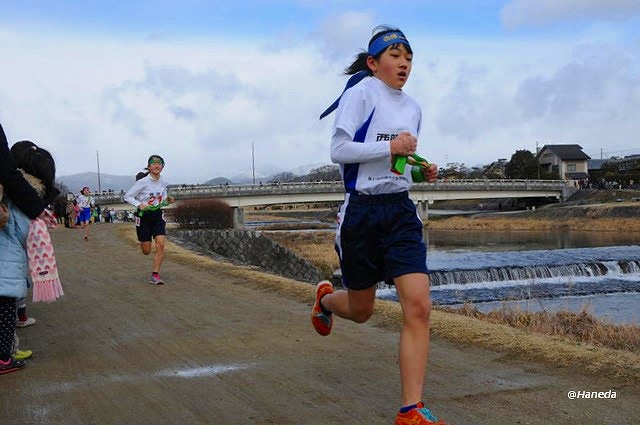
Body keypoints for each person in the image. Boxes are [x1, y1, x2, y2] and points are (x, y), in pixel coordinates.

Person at [313, 26, 444, 425]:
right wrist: (392, 146)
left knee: (419, 307)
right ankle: (324, 301)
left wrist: (421, 172)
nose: (404, 63)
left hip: (401, 211)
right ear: (373, 63)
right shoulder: (361, 93)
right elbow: (339, 151)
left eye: (409, 57)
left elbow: (397, 165)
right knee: (362, 308)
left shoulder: (414, 107)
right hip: (362, 213)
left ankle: (410, 411)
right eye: (395, 55)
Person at [0, 135, 58, 375]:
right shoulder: (24, 201)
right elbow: (23, 233)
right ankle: (3, 359)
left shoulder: (6, 193)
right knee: (5, 314)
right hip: (6, 268)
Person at [123, 155, 174, 285]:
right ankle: (144, 241)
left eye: (159, 164)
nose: (157, 166)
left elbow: (162, 200)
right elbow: (127, 196)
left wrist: (167, 201)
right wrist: (139, 204)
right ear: (149, 166)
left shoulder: (163, 182)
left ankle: (155, 274)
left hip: (157, 216)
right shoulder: (142, 182)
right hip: (143, 217)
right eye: (154, 163)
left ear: (162, 166)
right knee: (146, 250)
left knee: (161, 244)